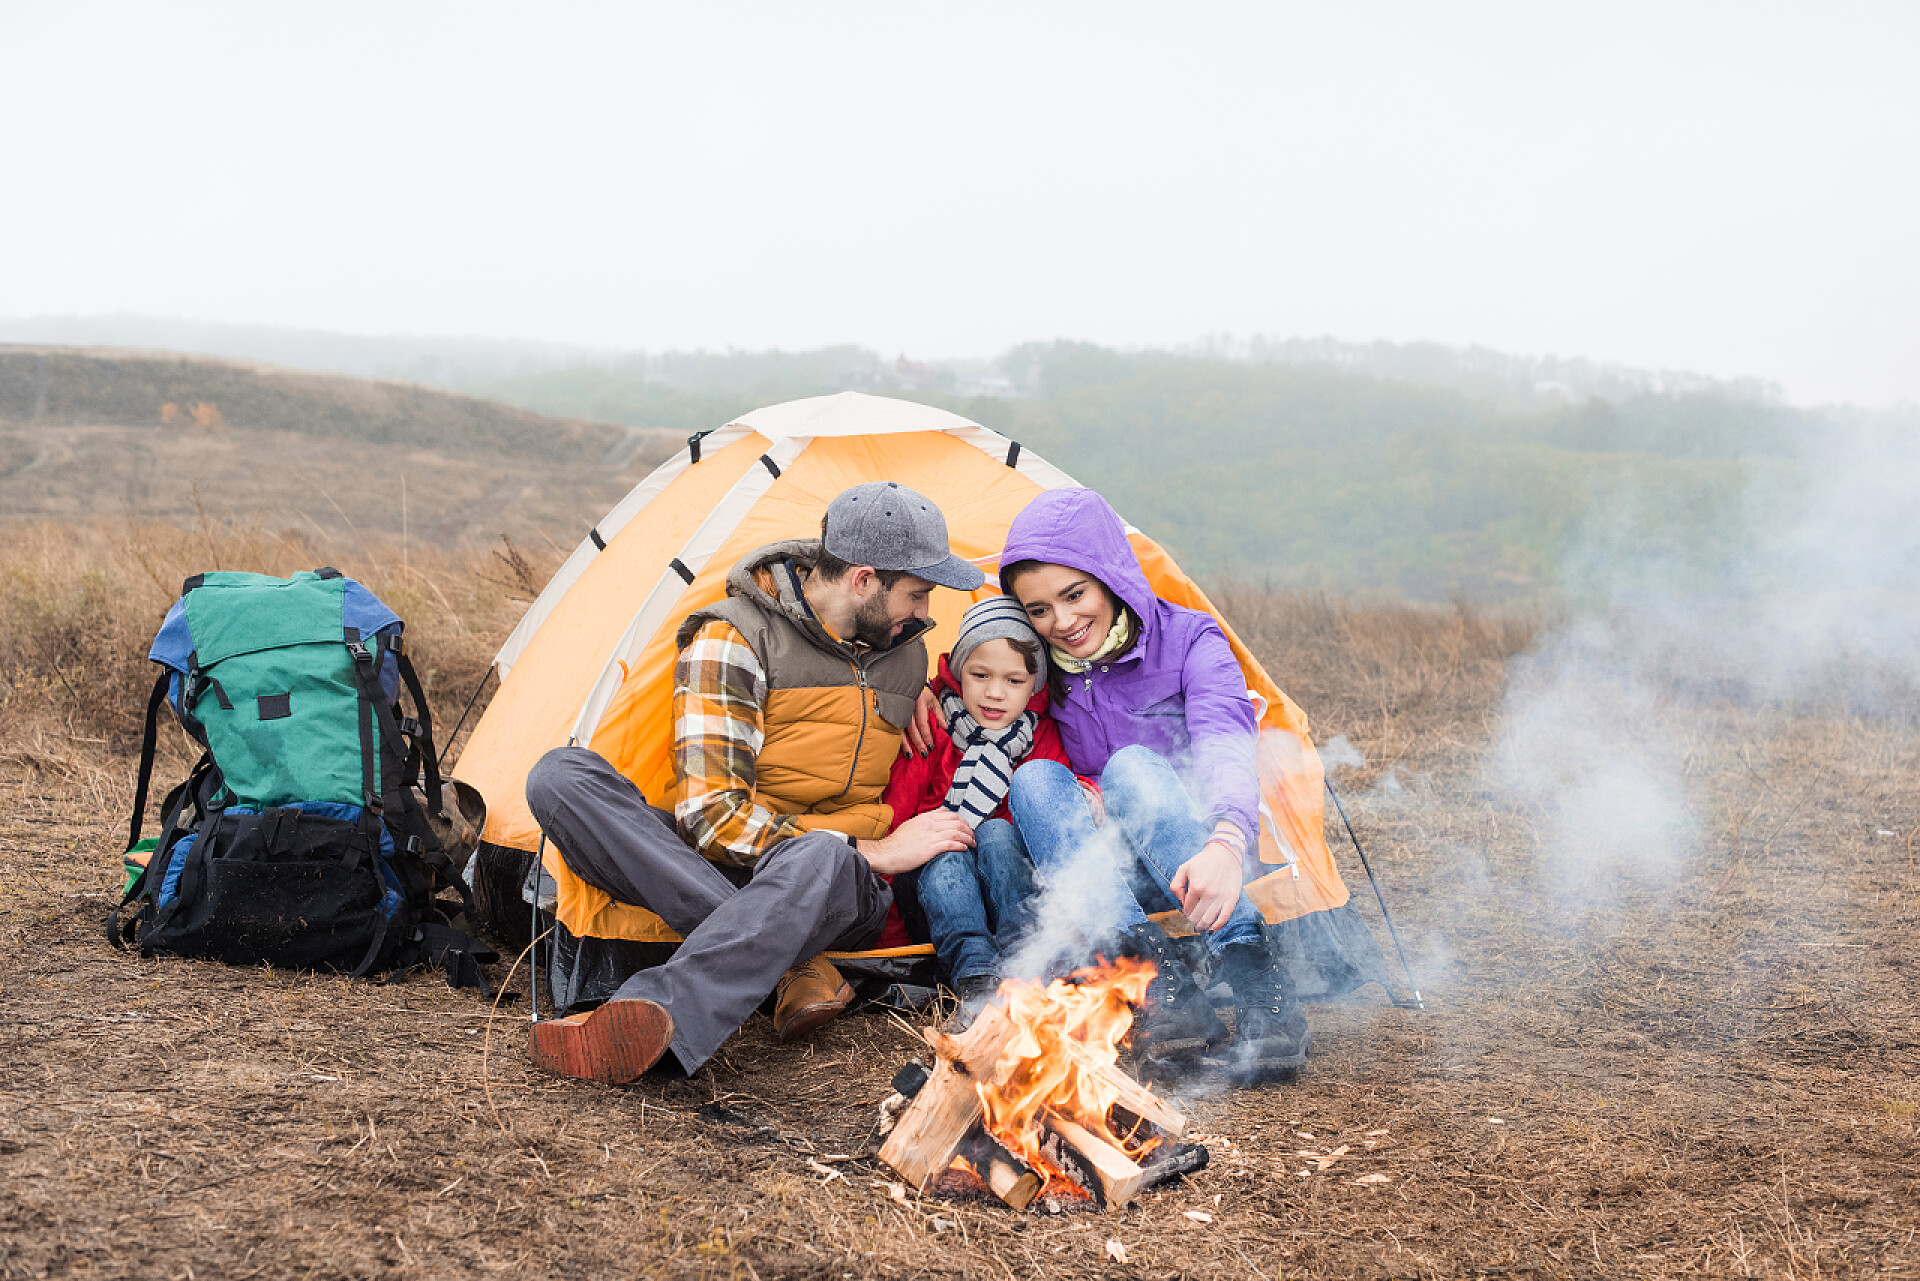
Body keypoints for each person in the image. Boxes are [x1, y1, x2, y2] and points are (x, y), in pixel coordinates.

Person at [523, 481, 982, 1083]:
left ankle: (661, 1013)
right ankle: (791, 963)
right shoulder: (734, 639)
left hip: (841, 886)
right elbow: (712, 817)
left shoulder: (907, 655)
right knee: (561, 777)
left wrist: (934, 693)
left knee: (818, 855)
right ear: (863, 580)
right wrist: (874, 850)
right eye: (918, 594)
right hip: (740, 857)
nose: (927, 615)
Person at [994, 486, 1310, 1077]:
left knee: (1133, 768)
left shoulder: (1190, 640)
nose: (1062, 623)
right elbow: (977, 676)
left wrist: (1226, 841)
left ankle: (1257, 982)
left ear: (1110, 574)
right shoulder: (1039, 668)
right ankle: (1157, 987)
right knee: (1034, 780)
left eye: (1074, 595)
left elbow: (1224, 740)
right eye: (1039, 611)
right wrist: (926, 703)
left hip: (1204, 862)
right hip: (1110, 882)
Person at [879, 595, 1077, 1013]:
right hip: (934, 899)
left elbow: (1051, 828)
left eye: (1014, 681)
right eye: (980, 675)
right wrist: (891, 950)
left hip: (1012, 892)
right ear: (958, 675)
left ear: (1036, 684)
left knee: (997, 832)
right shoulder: (931, 729)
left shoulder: (1042, 739)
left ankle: (1026, 961)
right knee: (944, 838)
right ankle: (975, 973)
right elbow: (894, 829)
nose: (994, 693)